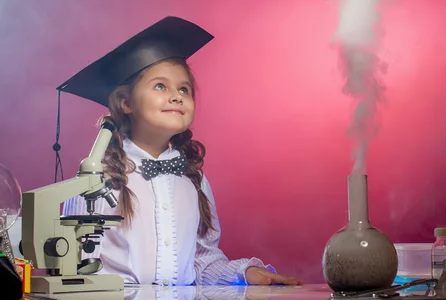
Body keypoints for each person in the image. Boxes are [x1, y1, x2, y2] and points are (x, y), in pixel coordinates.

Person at [60, 16, 302, 287]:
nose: (176, 96)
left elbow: (202, 260)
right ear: (125, 102)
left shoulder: (193, 179)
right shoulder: (96, 179)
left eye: (184, 89)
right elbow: (74, 264)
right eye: (160, 86)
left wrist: (242, 275)